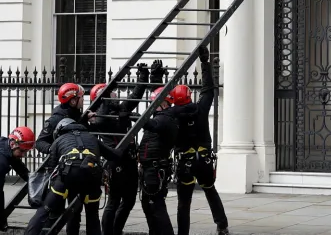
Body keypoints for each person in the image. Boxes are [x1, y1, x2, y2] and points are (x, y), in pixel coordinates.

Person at [89, 62, 156, 235]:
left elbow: (135, 95)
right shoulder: (101, 118)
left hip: (129, 161)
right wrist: (118, 113)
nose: (115, 94)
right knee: (114, 201)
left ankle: (116, 230)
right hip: (115, 163)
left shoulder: (120, 108)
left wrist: (143, 76)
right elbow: (106, 120)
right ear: (103, 98)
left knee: (129, 199)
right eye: (111, 93)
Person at [172, 47, 228, 235]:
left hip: (185, 163)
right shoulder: (200, 109)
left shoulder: (173, 116)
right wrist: (205, 64)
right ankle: (222, 225)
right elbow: (208, 90)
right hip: (204, 160)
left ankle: (183, 233)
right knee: (211, 192)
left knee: (184, 203)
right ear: (189, 96)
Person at [25, 83, 94, 235]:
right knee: (53, 211)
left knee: (75, 211)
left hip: (76, 169)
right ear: (73, 101)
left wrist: (87, 119)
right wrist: (55, 149)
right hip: (60, 172)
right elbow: (40, 142)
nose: (84, 100)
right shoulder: (55, 119)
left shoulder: (78, 116)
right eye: (81, 98)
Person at [138, 63, 196, 235]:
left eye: (154, 103)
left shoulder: (165, 119)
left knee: (156, 205)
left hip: (155, 168)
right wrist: (155, 79)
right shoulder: (164, 115)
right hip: (151, 166)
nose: (151, 106)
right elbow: (158, 97)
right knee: (148, 204)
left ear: (163, 103)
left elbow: (151, 123)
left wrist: (134, 117)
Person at [35, 117, 118, 235]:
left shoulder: (59, 140)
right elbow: (113, 154)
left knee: (73, 214)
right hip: (92, 179)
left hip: (70, 178)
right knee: (93, 217)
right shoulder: (91, 138)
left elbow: (52, 169)